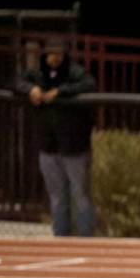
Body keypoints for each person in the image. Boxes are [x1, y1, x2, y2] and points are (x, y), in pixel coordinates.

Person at [16, 37, 98, 236]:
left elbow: (89, 84)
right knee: (57, 197)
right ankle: (61, 238)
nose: (54, 58)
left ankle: (87, 241)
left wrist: (60, 91)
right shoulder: (38, 74)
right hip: (49, 146)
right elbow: (15, 81)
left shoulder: (74, 72)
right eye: (51, 54)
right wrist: (31, 89)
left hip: (74, 148)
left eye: (58, 54)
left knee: (81, 196)